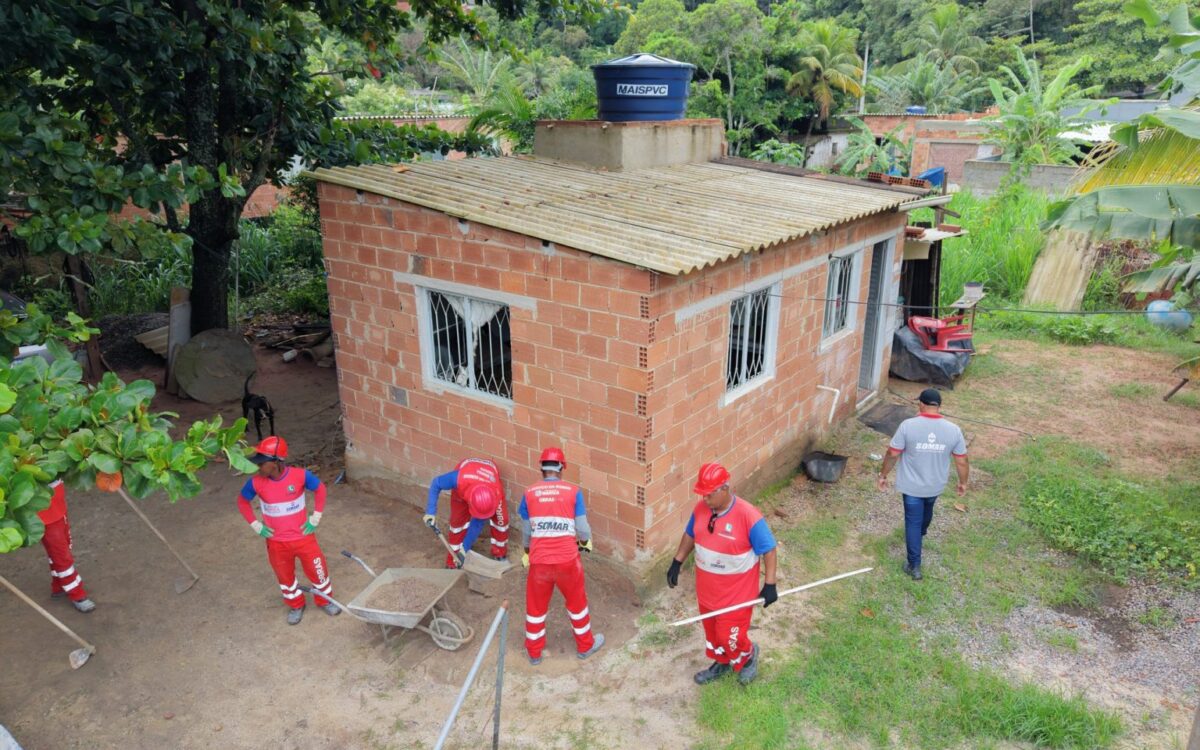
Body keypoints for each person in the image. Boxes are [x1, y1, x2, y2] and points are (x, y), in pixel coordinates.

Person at [667, 463, 777, 686]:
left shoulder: (748, 516)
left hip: (736, 597)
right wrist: (677, 561)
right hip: (707, 593)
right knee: (713, 635)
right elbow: (690, 534)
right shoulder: (701, 509)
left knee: (729, 636)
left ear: (725, 488)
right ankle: (722, 661)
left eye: (709, 494)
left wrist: (770, 584)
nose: (705, 499)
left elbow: (769, 549)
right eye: (703, 494)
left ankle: (748, 656)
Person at [236, 436, 340, 625]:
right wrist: (256, 525)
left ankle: (325, 600)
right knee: (285, 576)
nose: (258, 467)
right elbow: (242, 501)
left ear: (276, 462)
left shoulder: (300, 476)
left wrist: (316, 517)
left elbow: (320, 489)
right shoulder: (256, 482)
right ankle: (296, 604)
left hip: (304, 538)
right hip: (276, 542)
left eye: (262, 463)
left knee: (318, 570)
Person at [518, 447, 604, 665]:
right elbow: (582, 528)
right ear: (561, 468)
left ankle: (534, 653)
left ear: (541, 468)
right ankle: (585, 646)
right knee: (577, 603)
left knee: (535, 608)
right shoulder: (573, 492)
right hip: (568, 561)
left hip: (540, 563)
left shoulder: (529, 493)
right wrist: (584, 543)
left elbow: (527, 531)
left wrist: (527, 551)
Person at [876, 388, 969, 581]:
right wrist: (963, 482)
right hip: (935, 485)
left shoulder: (907, 426)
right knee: (926, 511)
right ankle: (919, 536)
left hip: (911, 486)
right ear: (939, 406)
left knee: (913, 522)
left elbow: (893, 453)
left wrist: (883, 475)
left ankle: (914, 565)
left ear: (921, 404)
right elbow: (961, 461)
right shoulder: (953, 430)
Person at [423, 457, 509, 568]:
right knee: (457, 523)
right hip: (464, 482)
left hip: (488, 480)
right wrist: (430, 512)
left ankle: (500, 553)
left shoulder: (496, 491)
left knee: (502, 521)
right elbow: (436, 484)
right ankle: (453, 561)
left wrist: (464, 549)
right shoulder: (458, 479)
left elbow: (477, 524)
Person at [38, 479, 96, 613]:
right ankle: (77, 594)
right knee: (61, 555)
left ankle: (59, 585)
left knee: (62, 549)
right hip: (46, 513)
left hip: (57, 504)